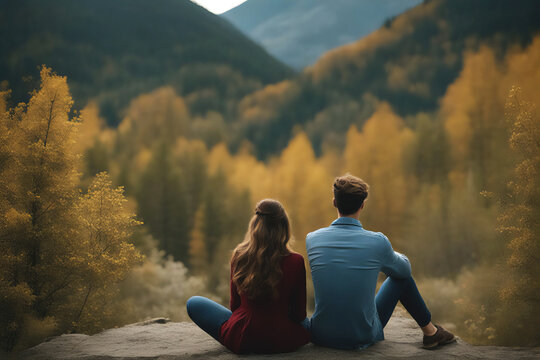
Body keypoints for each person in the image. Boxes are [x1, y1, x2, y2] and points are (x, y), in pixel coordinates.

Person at [306, 174, 456, 350]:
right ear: (362, 205)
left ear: (334, 202)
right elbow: (405, 271)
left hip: (321, 335)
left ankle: (432, 333)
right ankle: (431, 333)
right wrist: (389, 253)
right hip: (361, 336)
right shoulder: (377, 242)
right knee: (401, 279)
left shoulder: (312, 239)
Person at [186, 199, 310, 354]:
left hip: (243, 337)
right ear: (284, 227)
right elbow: (299, 315)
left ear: (255, 225)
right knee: (309, 323)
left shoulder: (239, 255)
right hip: (282, 340)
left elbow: (235, 306)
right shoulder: (296, 261)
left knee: (194, 303)